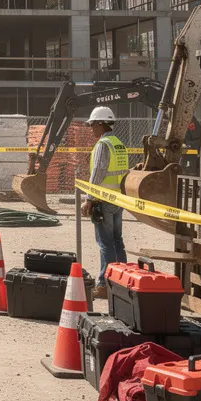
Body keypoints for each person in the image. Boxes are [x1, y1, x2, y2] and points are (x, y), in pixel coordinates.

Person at [79, 106, 127, 299]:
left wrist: (89, 199)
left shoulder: (103, 145)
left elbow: (97, 173)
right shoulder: (119, 144)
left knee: (105, 243)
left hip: (104, 200)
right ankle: (122, 281)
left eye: (92, 125)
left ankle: (104, 285)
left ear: (101, 124)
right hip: (118, 200)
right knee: (117, 241)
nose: (91, 129)